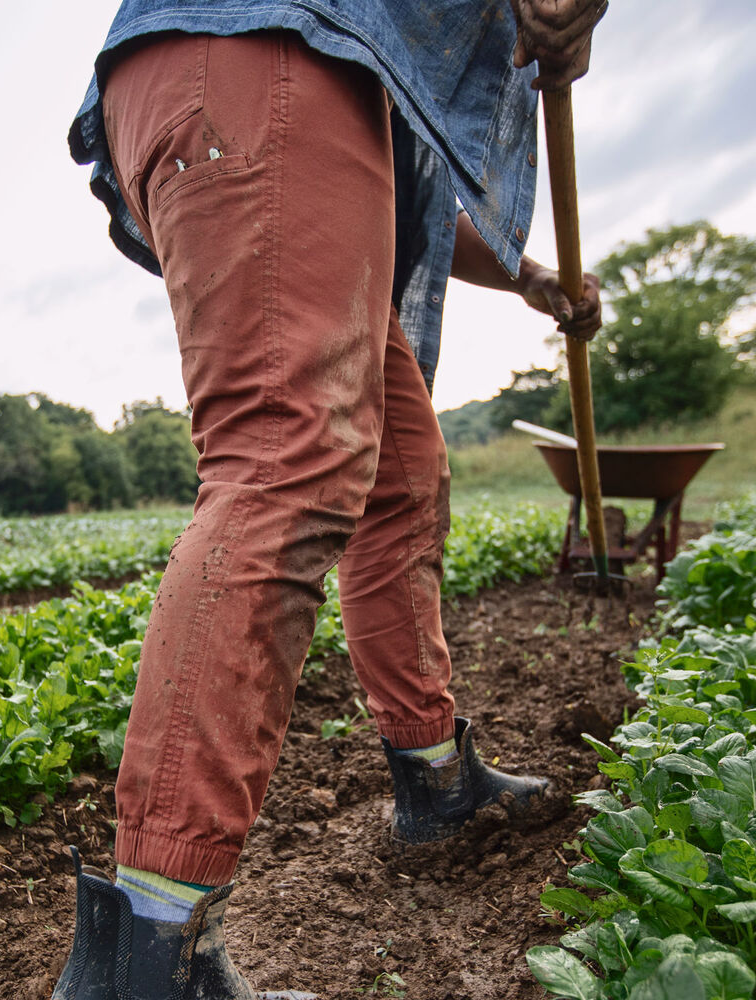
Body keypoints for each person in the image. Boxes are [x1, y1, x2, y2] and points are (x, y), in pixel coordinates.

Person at [55, 2, 605, 997]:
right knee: (285, 455)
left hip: (290, 74)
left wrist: (526, 275)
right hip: (260, 48)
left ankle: (435, 780)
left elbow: (410, 202)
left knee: (400, 480)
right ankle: (151, 960)